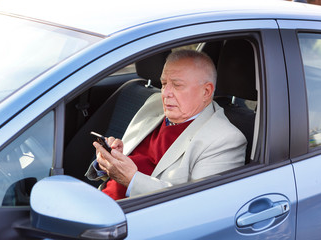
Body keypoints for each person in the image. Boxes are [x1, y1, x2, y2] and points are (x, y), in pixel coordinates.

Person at [85, 49, 247, 200]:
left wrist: (132, 180)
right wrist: (109, 162)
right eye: (163, 84)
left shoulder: (226, 140)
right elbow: (123, 169)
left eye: (177, 85)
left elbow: (197, 206)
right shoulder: (152, 104)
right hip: (100, 200)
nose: (165, 93)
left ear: (206, 92)